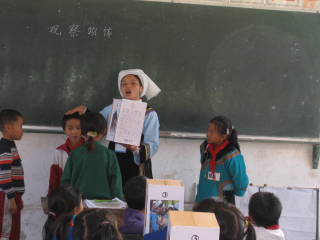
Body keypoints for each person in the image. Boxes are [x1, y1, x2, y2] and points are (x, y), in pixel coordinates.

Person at [66, 69, 161, 188]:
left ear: (141, 88)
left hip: (136, 162)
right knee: (113, 192)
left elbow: (153, 143)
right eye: (124, 84)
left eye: (133, 83)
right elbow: (97, 123)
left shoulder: (149, 114)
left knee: (135, 195)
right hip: (113, 156)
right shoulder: (114, 107)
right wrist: (85, 111)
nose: (128, 86)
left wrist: (135, 148)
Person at [61, 112, 123, 200]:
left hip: (79, 205)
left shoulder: (75, 153)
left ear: (82, 131)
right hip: (104, 207)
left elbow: (66, 182)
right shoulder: (110, 154)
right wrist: (118, 203)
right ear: (104, 131)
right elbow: (116, 185)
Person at [196, 115, 249, 204]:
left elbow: (240, 179)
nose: (207, 134)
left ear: (223, 137)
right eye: (207, 129)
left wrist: (239, 191)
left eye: (212, 132)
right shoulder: (205, 148)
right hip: (203, 196)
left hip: (223, 203)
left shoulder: (232, 155)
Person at [0, 109, 25, 240]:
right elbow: (4, 176)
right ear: (8, 127)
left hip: (12, 196)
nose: (22, 129)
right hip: (6, 197)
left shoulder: (10, 145)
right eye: (20, 126)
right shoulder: (5, 148)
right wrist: (11, 199)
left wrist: (18, 197)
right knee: (6, 232)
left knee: (13, 233)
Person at [47, 112, 85, 196]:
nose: (75, 132)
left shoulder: (89, 150)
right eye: (70, 128)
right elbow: (53, 178)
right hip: (64, 196)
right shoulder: (59, 152)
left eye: (78, 128)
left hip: (85, 196)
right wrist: (51, 196)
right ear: (64, 129)